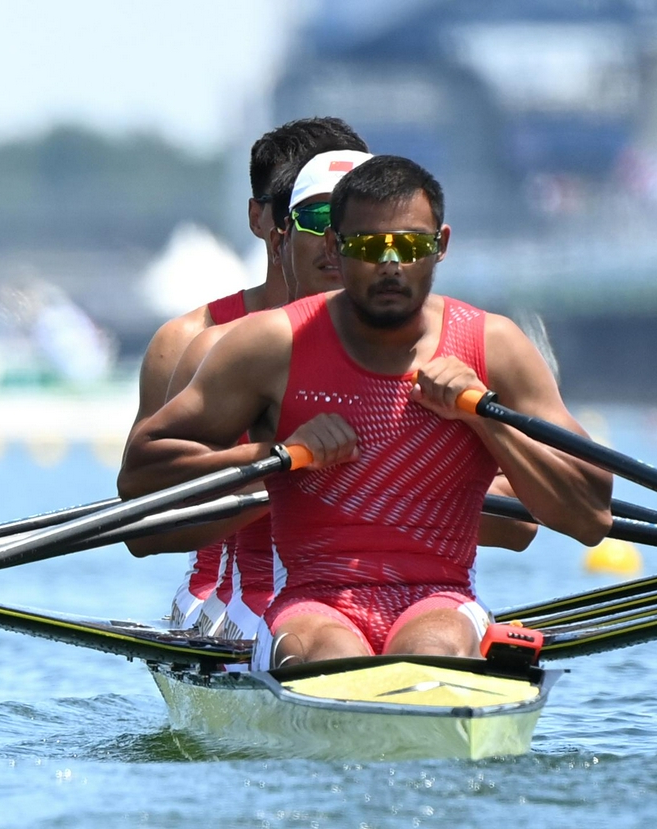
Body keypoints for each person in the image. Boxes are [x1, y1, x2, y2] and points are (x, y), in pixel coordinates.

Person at [122, 155, 610, 668]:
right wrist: (282, 456)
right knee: (328, 654)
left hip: (442, 600)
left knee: (433, 647)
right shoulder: (271, 345)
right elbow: (141, 470)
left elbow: (592, 516)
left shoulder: (494, 345)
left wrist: (484, 419)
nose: (391, 265)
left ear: (440, 246)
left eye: (411, 245)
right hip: (312, 604)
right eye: (369, 246)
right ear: (337, 247)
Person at [135, 118, 368, 630]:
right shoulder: (193, 343)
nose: (335, 238)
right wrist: (282, 467)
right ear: (266, 220)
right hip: (235, 605)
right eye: (313, 215)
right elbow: (143, 526)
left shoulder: (425, 344)